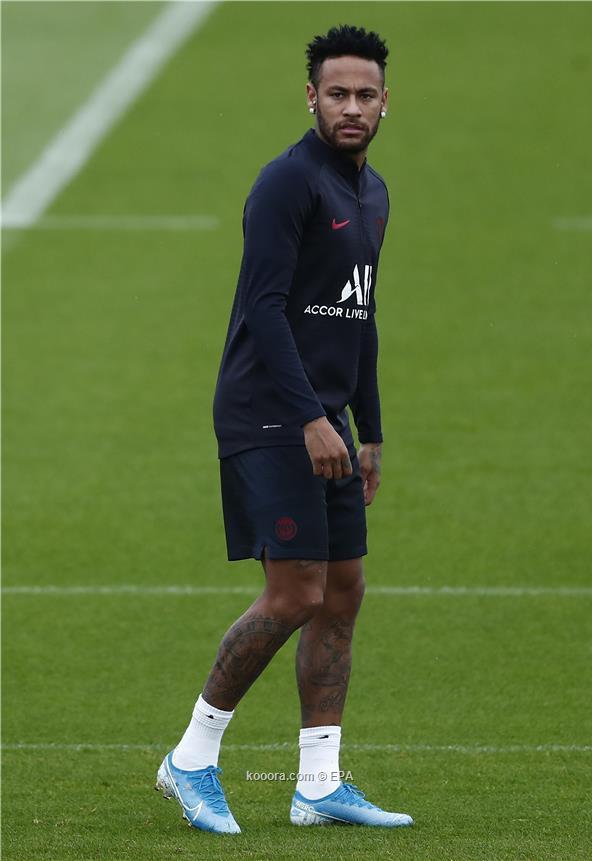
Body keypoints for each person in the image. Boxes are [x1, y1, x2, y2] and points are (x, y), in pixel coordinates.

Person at [156, 24, 413, 834]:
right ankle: (190, 757)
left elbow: (359, 317)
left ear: (386, 102)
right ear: (310, 97)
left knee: (343, 590)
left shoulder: (373, 194)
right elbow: (263, 308)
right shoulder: (286, 183)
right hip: (266, 412)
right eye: (337, 94)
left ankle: (318, 783)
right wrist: (309, 418)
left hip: (323, 420)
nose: (351, 107)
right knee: (296, 590)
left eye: (365, 95)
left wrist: (368, 429)